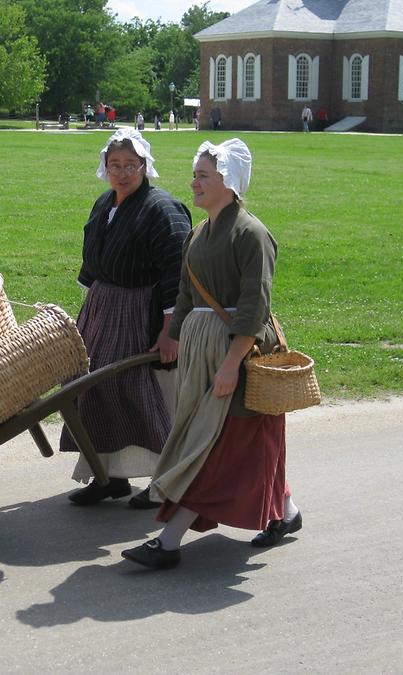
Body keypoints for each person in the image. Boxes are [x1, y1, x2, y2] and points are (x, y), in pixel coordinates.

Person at [121, 138, 301, 569]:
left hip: (235, 352)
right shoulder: (199, 233)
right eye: (195, 175)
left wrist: (229, 364)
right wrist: (175, 339)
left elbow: (255, 309)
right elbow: (185, 294)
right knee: (247, 444)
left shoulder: (252, 235)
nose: (194, 182)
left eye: (203, 175)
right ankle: (288, 514)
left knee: (216, 443)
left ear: (229, 181)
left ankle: (168, 541)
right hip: (204, 352)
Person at [60, 129, 192, 508]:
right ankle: (109, 477)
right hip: (104, 309)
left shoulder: (162, 209)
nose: (122, 173)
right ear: (105, 167)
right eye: (114, 165)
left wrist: (171, 332)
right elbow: (94, 262)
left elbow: (177, 276)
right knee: (92, 389)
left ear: (145, 166)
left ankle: (163, 480)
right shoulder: (105, 204)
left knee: (139, 393)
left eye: (130, 165)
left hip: (142, 313)